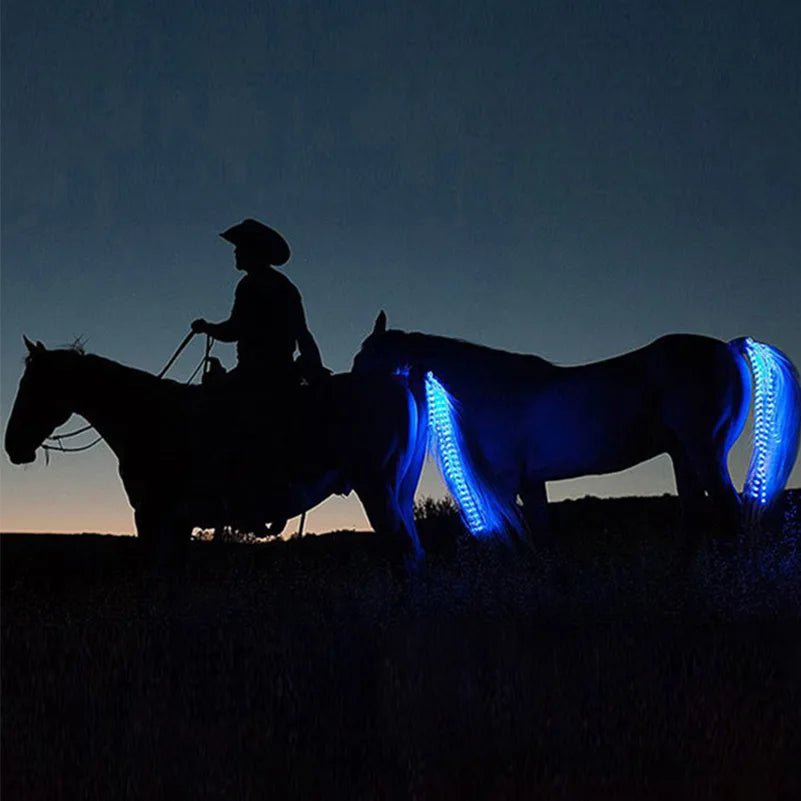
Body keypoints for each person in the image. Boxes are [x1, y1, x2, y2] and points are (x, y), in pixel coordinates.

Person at [191, 218, 328, 392]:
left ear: (252, 250)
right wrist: (314, 366)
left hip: (255, 374)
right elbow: (301, 331)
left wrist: (206, 328)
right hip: (280, 371)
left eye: (240, 247)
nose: (235, 251)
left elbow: (234, 330)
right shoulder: (284, 285)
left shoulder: (250, 285)